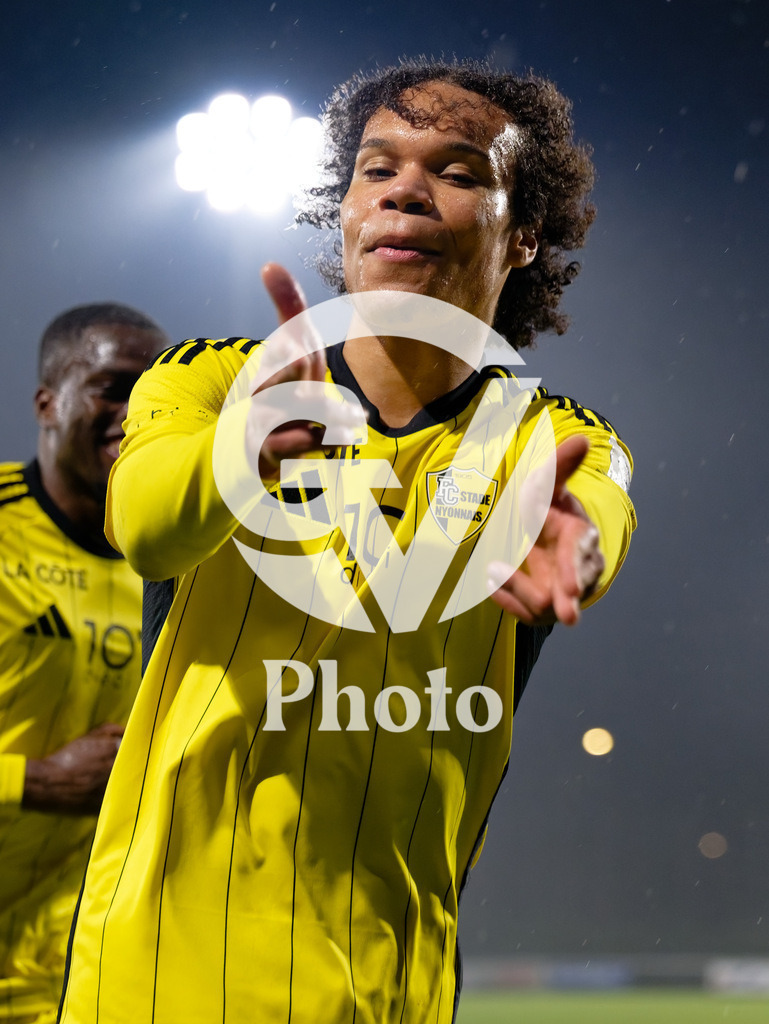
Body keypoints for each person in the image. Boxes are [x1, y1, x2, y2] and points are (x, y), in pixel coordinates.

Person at [59, 61, 636, 1024]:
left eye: (457, 171)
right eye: (377, 168)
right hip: (156, 982)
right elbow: (147, 530)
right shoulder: (214, 379)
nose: (404, 189)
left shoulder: (554, 439)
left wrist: (576, 550)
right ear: (345, 212)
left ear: (526, 234)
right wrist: (240, 452)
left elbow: (595, 518)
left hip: (392, 990)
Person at [0, 303, 168, 1024]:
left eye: (152, 394)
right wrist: (35, 780)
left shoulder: (179, 569)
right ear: (47, 402)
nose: (133, 414)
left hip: (80, 974)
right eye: (112, 388)